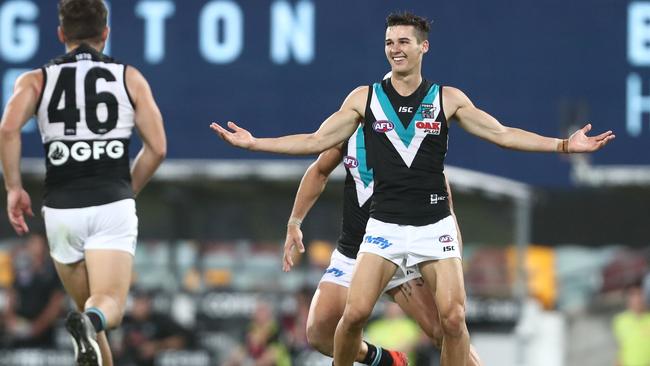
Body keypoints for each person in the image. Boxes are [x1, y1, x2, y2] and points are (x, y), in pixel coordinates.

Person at [211, 11, 614, 366]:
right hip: (383, 228)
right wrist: (255, 142)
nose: (395, 49)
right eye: (389, 42)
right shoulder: (364, 99)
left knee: (453, 321)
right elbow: (316, 142)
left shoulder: (446, 99)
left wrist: (563, 145)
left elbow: (503, 134)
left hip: (432, 226)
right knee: (350, 318)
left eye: (403, 41)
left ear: (424, 47)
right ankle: (379, 361)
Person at [0, 0, 167, 364]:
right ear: (105, 34)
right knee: (108, 308)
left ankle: (88, 323)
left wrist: (14, 188)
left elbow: (8, 127)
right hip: (111, 202)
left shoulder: (35, 79)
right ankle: (89, 321)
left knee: (90, 315)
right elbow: (157, 148)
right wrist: (127, 189)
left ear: (61, 34)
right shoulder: (129, 77)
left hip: (61, 210)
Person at [282, 137, 482, 365]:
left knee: (445, 330)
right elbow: (318, 169)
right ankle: (385, 360)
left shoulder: (413, 131)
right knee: (320, 333)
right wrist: (294, 222)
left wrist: (452, 259)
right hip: (354, 252)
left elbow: (444, 207)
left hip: (402, 254)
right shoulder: (351, 123)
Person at [2, 233, 65, 349]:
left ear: (45, 247)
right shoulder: (19, 269)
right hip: (20, 331)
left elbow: (56, 303)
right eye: (31, 244)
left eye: (37, 244)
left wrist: (37, 327)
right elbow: (11, 295)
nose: (34, 248)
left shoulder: (53, 271)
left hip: (45, 335)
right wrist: (10, 319)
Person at [115, 290, 192, 366]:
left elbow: (183, 339)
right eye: (138, 302)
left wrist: (157, 346)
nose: (141, 307)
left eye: (145, 303)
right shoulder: (122, 321)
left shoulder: (159, 320)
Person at [612, 283, 650, 366]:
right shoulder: (619, 321)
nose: (637, 299)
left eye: (640, 294)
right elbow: (621, 348)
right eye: (633, 295)